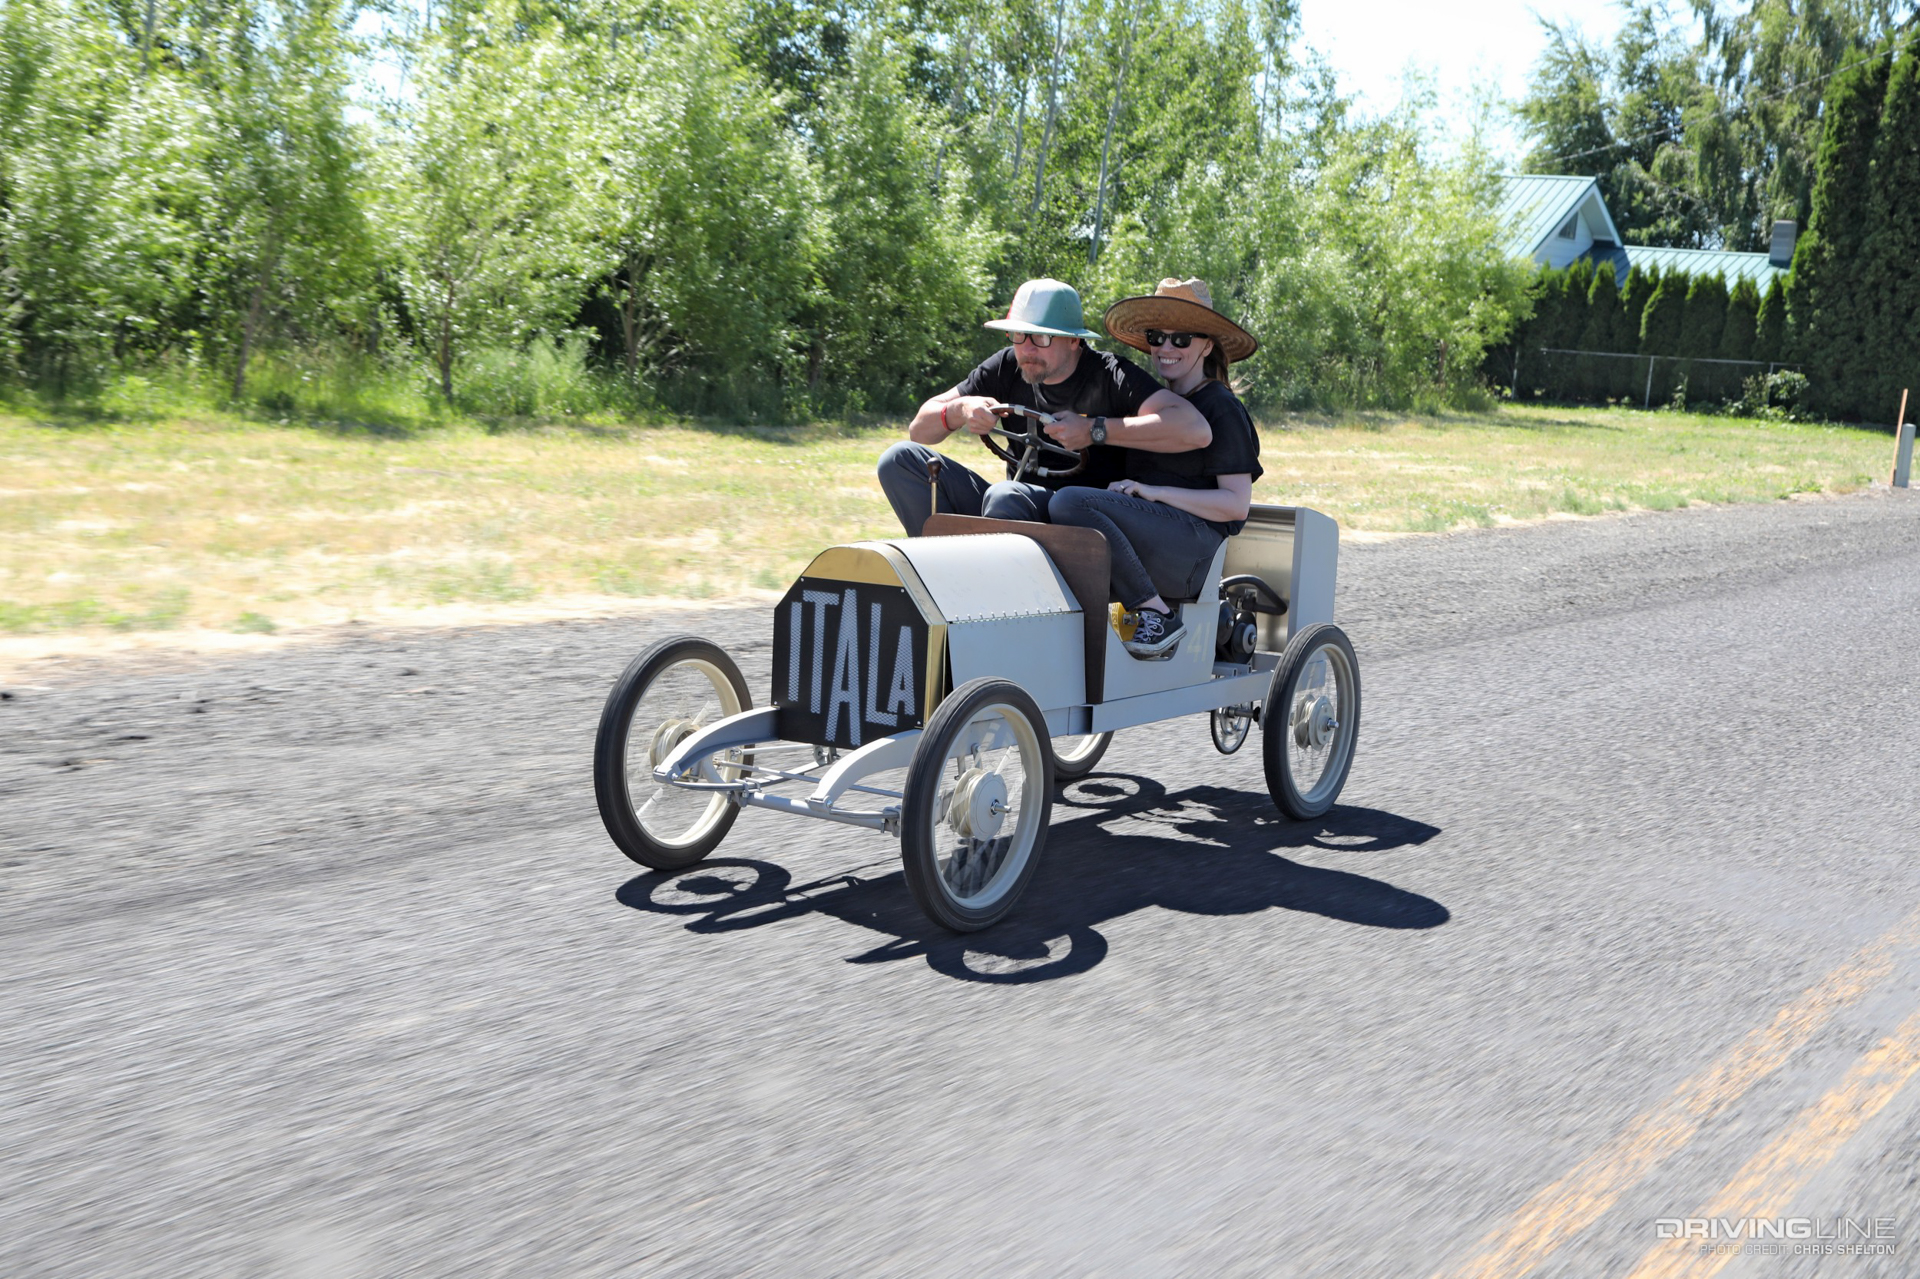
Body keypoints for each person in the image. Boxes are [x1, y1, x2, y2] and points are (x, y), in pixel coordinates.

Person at [876, 278, 1210, 535]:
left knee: (1005, 496)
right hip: (1011, 506)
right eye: (1018, 335)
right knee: (899, 460)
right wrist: (960, 410)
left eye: (1042, 338)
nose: (1027, 349)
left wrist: (1096, 430)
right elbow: (919, 430)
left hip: (1080, 520)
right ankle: (941, 581)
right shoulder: (1007, 365)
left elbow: (1193, 428)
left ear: (1074, 340)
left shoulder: (1111, 375)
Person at [1048, 278, 1263, 659]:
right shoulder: (1146, 407)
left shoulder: (1220, 407)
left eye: (1181, 339)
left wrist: (1155, 492)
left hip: (1193, 552)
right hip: (1151, 534)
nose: (1165, 347)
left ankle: (1157, 615)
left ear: (1207, 345)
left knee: (1070, 505)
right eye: (1156, 336)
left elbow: (1235, 506)